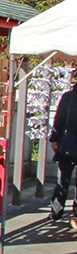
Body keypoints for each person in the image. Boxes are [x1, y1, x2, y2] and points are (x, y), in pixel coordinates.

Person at [49, 81, 77, 224]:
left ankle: (56, 211)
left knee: (62, 180)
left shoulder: (68, 97)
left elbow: (58, 120)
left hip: (67, 145)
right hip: (68, 143)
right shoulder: (68, 97)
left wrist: (55, 139)